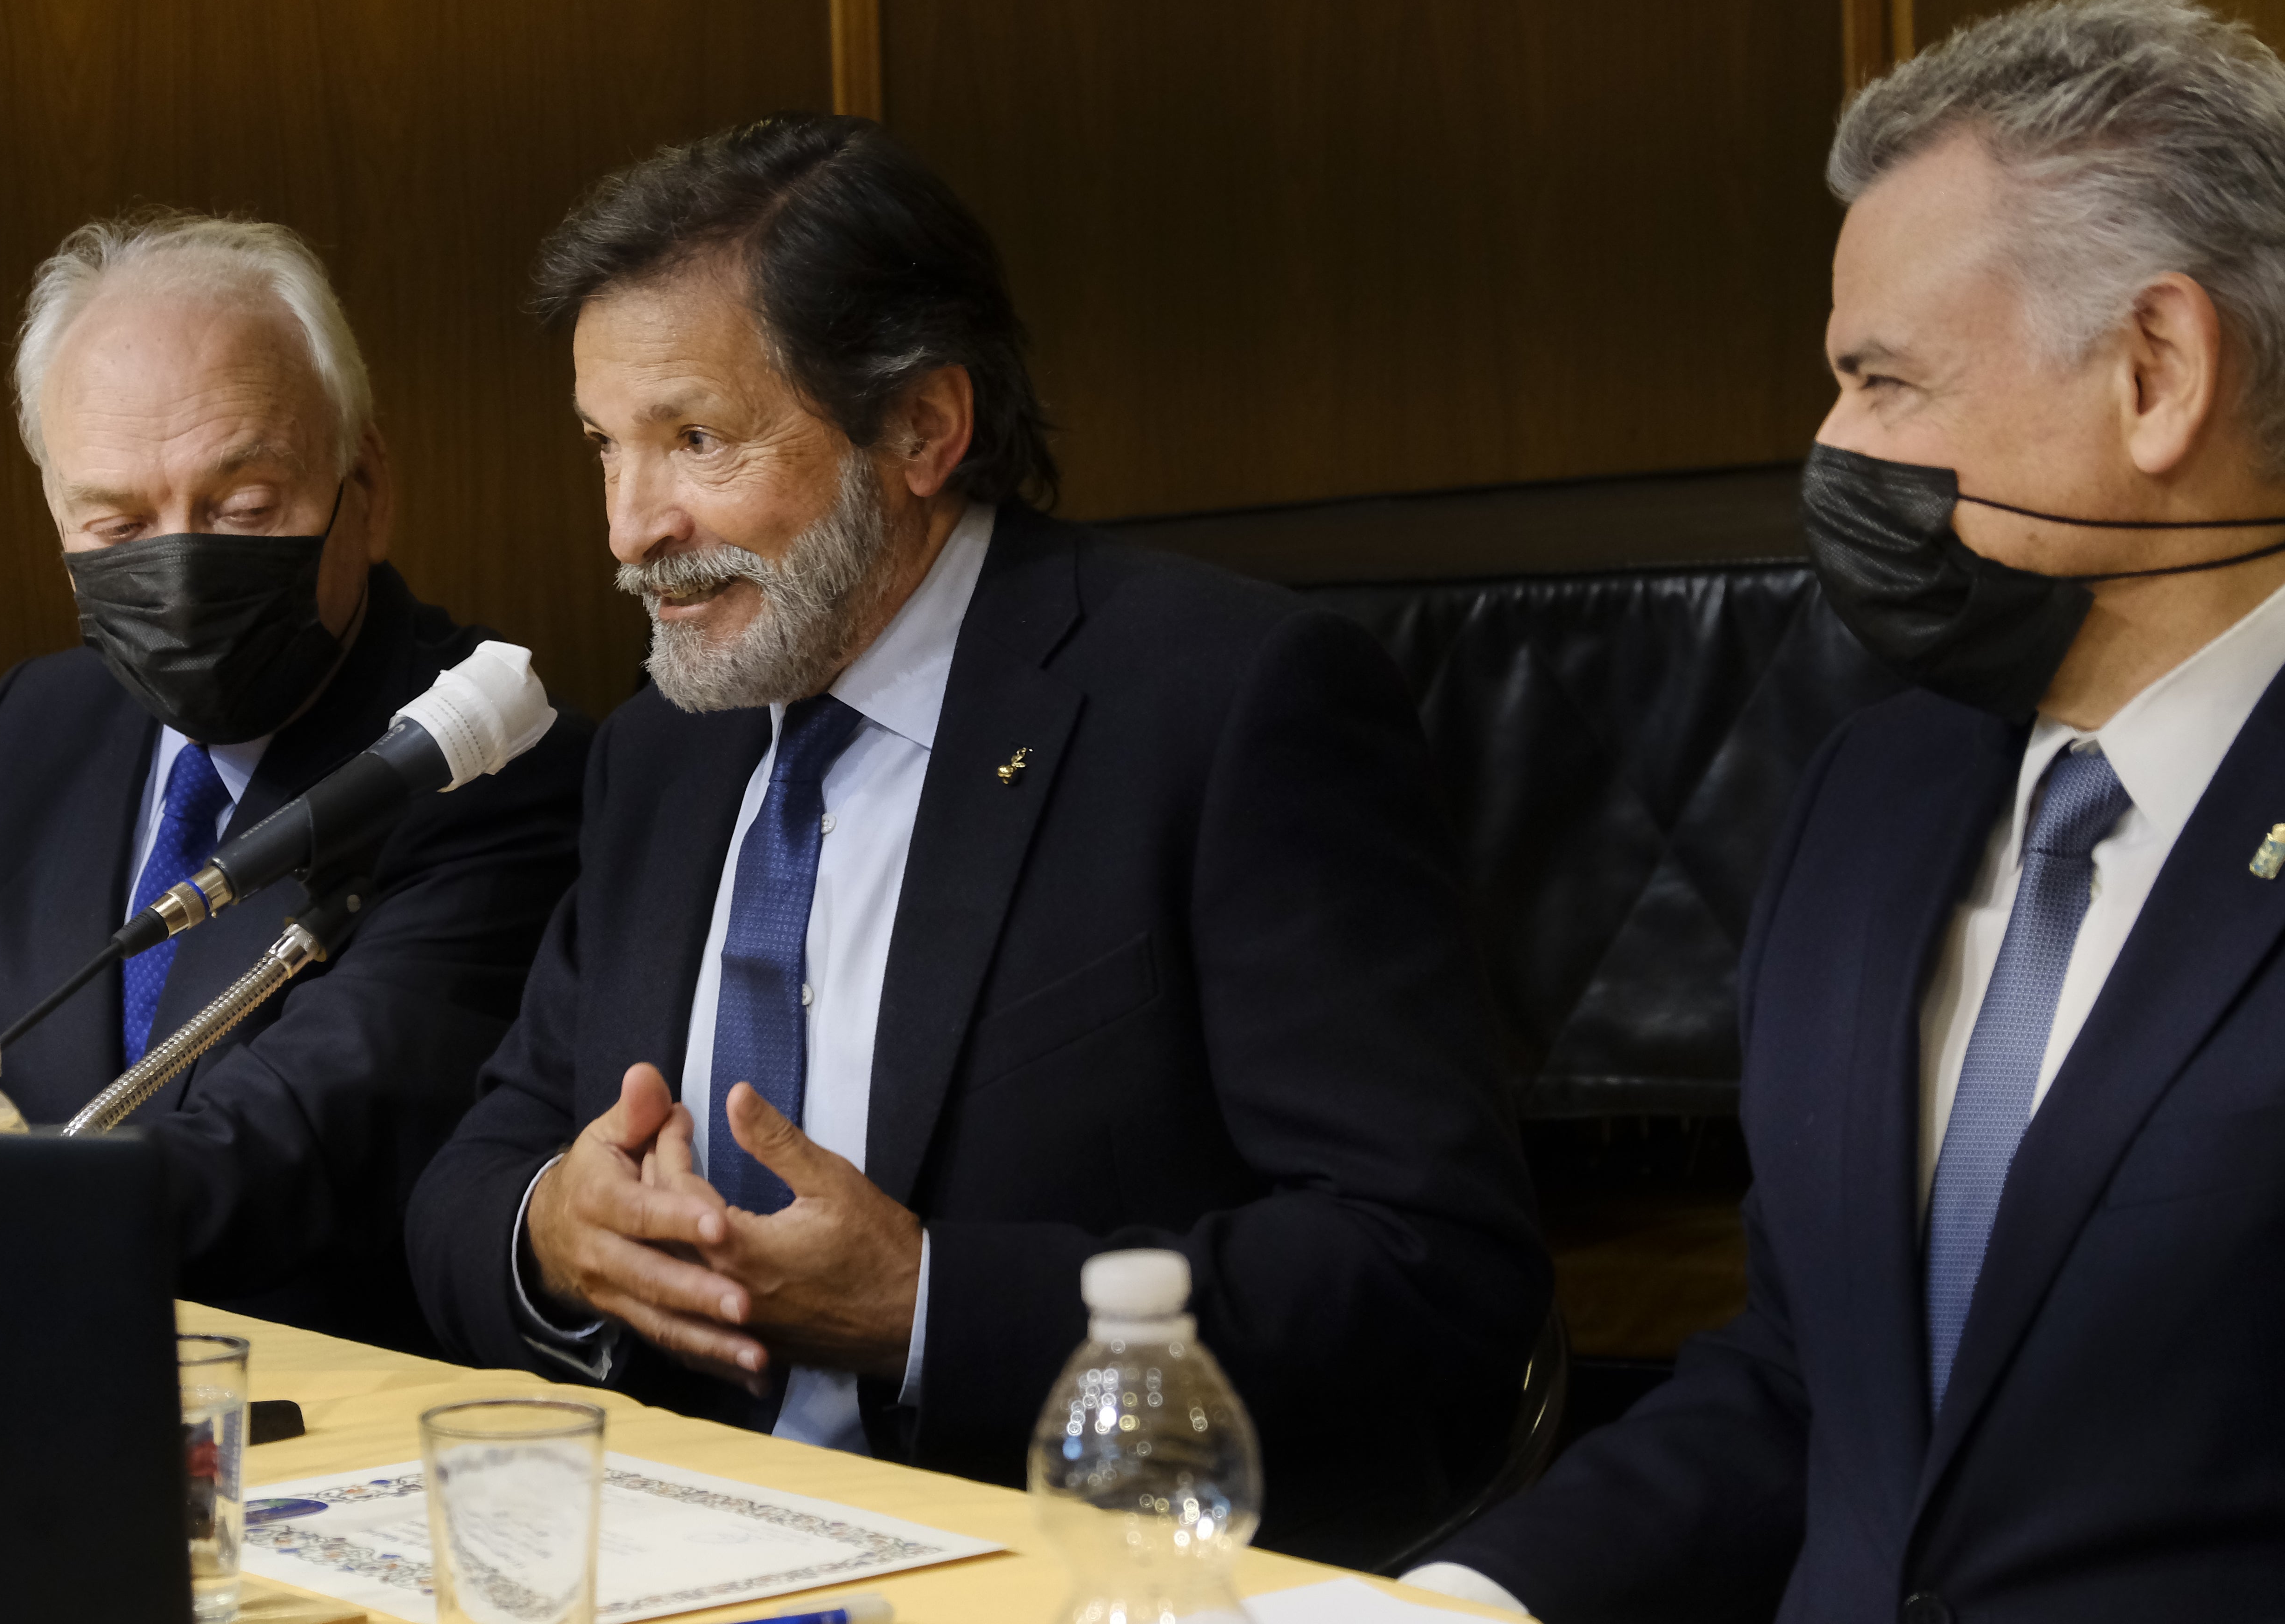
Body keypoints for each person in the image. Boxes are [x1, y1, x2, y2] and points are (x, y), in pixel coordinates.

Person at [407, 114, 1547, 1566]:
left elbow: (1435, 1270)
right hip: (681, 1552)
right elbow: (481, 1164)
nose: (632, 528)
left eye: (697, 439)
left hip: (1072, 1565)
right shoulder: (663, 750)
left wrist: (933, 1301)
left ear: (925, 432)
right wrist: (550, 1235)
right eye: (605, 449)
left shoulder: (1225, 709)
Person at [1407, 0, 2285, 1619]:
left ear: (2158, 370)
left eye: (1886, 382)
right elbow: (1808, 1387)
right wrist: (1453, 1608)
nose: (1829, 445)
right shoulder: (1876, 795)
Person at [0, 213, 591, 1349]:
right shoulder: (41, 728)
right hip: (11, 1381)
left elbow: (294, 1138)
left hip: (314, 1419)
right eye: (118, 521)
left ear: (370, 484)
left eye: (245, 507)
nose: (182, 560)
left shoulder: (485, 754)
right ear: (55, 518)